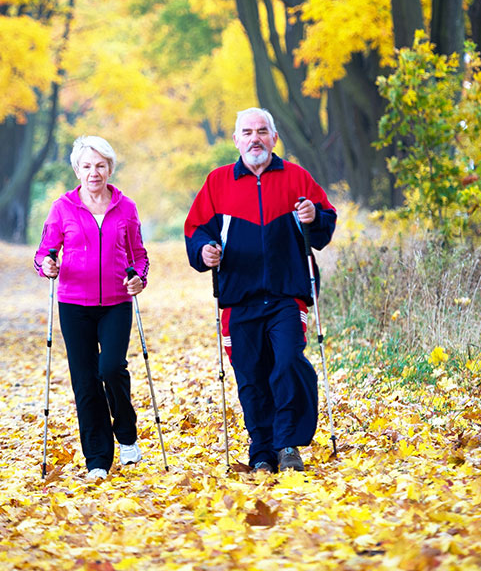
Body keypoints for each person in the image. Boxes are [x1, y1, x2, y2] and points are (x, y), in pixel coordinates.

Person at [184, 107, 336, 473]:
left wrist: (314, 218)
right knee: (250, 374)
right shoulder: (218, 183)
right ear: (236, 140)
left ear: (274, 137)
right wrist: (204, 251)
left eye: (262, 131)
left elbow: (325, 224)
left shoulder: (297, 178)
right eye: (247, 132)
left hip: (287, 293)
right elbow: (195, 231)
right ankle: (261, 449)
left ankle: (287, 445)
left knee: (288, 362)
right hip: (239, 297)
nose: (255, 138)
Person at [34, 135, 149, 481]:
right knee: (85, 381)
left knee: (111, 368)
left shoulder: (125, 207)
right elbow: (44, 252)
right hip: (74, 304)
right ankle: (97, 458)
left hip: (116, 301)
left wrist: (139, 279)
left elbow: (138, 256)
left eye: (100, 166)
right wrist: (47, 266)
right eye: (87, 166)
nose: (94, 173)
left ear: (110, 168)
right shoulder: (62, 208)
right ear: (77, 170)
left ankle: (126, 432)